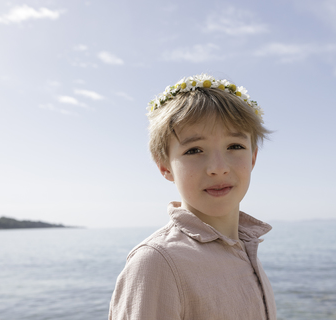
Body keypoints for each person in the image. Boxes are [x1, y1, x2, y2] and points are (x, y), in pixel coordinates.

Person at [109, 74, 276, 319]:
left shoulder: (245, 248)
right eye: (194, 150)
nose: (218, 167)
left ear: (253, 157)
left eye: (235, 146)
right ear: (165, 167)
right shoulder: (157, 262)